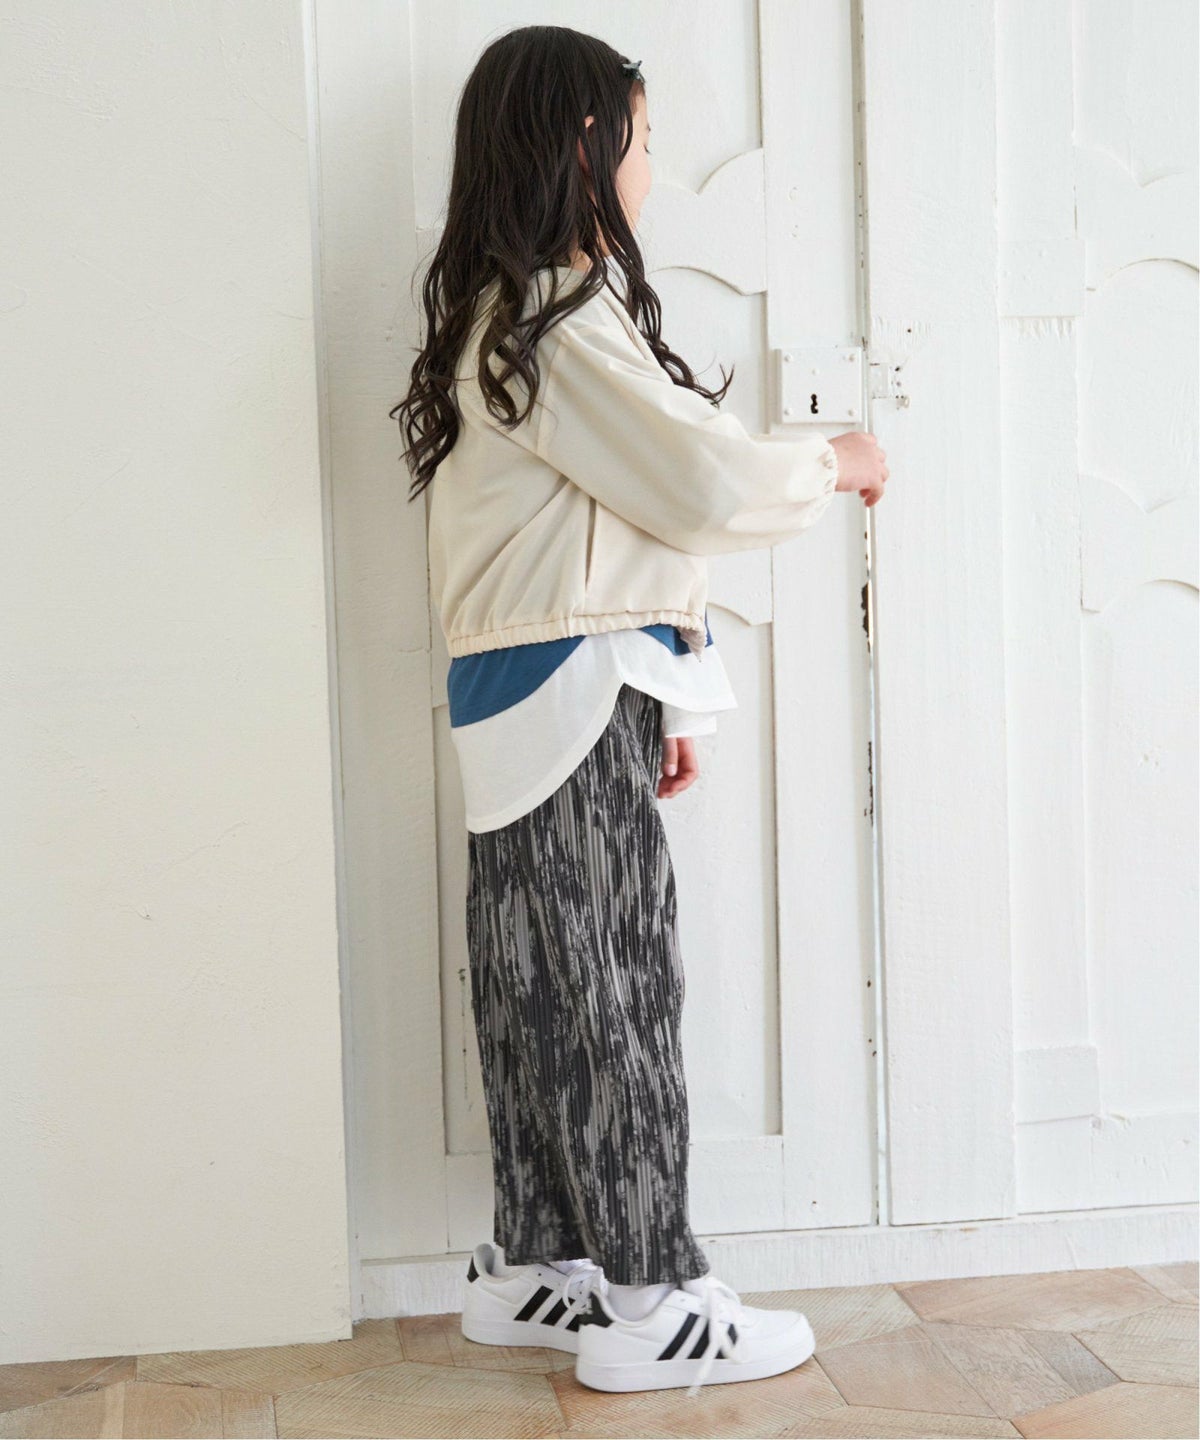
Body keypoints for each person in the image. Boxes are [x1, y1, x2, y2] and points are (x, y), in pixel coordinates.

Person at [389, 25, 888, 1399]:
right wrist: (833, 459)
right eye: (646, 142)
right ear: (583, 144)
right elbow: (697, 484)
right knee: (616, 987)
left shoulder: (511, 317)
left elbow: (609, 525)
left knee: (542, 989)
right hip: (566, 682)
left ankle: (541, 1265)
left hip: (530, 690)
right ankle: (657, 1298)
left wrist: (673, 675)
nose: (653, 171)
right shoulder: (556, 318)